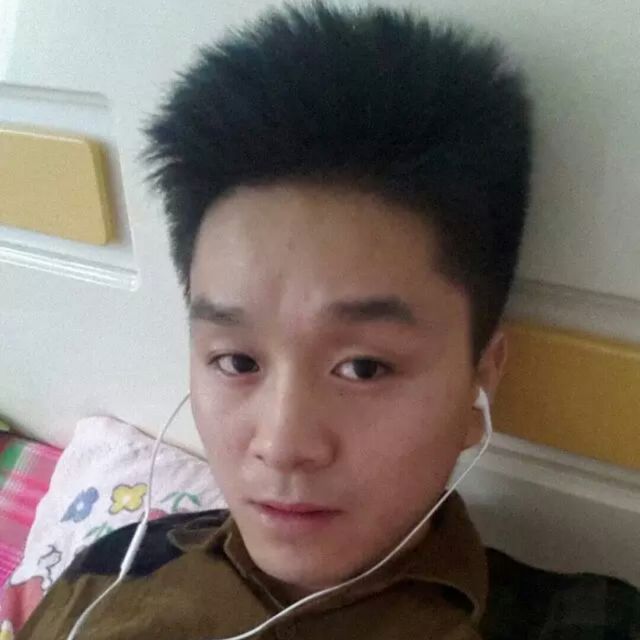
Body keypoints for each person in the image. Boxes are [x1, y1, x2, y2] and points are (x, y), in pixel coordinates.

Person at [18, 2, 640, 639]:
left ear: (480, 377)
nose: (282, 444)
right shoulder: (112, 569)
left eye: (363, 367)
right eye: (237, 360)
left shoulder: (588, 624)